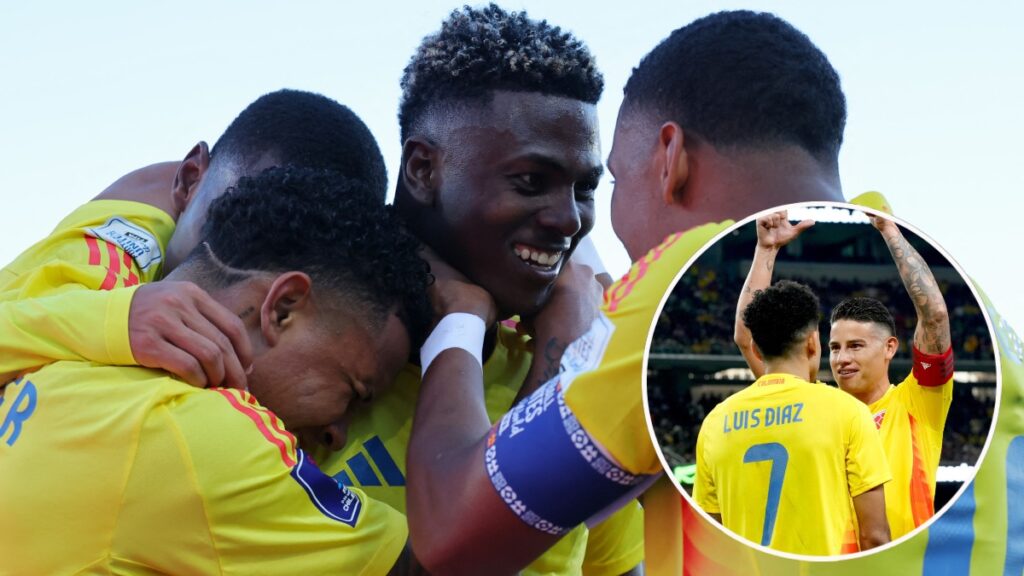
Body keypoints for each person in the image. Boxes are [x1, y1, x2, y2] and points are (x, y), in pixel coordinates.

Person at [403, 8, 875, 574]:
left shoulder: (673, 290)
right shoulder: (915, 258)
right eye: (531, 182)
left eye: (605, 182)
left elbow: (452, 536)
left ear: (671, 159)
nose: (575, 224)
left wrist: (464, 321)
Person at [317, 5, 642, 574]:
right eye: (531, 182)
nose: (570, 220)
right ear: (423, 169)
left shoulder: (579, 366)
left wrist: (561, 359)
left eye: (585, 189)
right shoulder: (295, 334)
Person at [0, 166, 433, 574]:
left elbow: (165, 178)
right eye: (354, 392)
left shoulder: (69, 284)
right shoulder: (199, 436)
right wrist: (460, 329)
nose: (339, 434)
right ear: (282, 308)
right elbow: (443, 558)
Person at [0, 89, 389, 390]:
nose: (244, 253)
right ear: (189, 181)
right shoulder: (105, 260)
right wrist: (115, 321)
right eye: (230, 216)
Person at [733, 211, 955, 540]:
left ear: (890, 347)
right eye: (835, 348)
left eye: (855, 346)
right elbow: (748, 339)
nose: (842, 359)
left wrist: (888, 228)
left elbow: (934, 315)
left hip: (901, 560)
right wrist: (766, 250)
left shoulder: (918, 401)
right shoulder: (815, 403)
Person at [695, 280, 891, 555]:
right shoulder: (847, 411)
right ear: (813, 342)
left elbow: (710, 540)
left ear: (756, 350)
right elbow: (874, 537)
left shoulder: (714, 423)